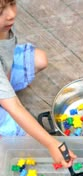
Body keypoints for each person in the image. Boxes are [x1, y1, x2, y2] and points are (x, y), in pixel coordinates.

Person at [0, 0, 76, 166]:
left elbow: (7, 55)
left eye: (12, 3)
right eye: (0, 12)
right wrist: (51, 143)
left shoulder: (3, 26)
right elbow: (15, 107)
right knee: (27, 139)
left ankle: (5, 93)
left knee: (40, 59)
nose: (11, 14)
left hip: (3, 71)